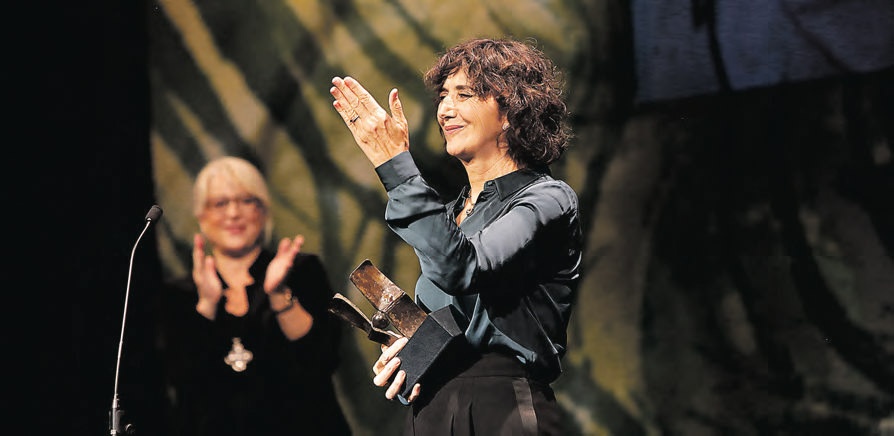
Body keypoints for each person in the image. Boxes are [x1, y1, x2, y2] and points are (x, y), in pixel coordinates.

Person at [329, 37, 582, 435]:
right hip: (432, 411)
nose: (445, 109)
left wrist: (395, 167)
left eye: (464, 95)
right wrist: (413, 354)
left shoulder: (547, 199)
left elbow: (461, 268)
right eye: (443, 96)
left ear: (511, 111)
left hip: (502, 411)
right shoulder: (448, 217)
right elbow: (451, 320)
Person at [156, 156, 351, 436]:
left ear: (264, 211)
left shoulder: (300, 271)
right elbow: (182, 379)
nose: (233, 213)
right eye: (220, 203)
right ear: (201, 215)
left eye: (247, 201)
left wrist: (279, 294)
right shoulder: (179, 294)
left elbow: (320, 359)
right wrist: (207, 305)